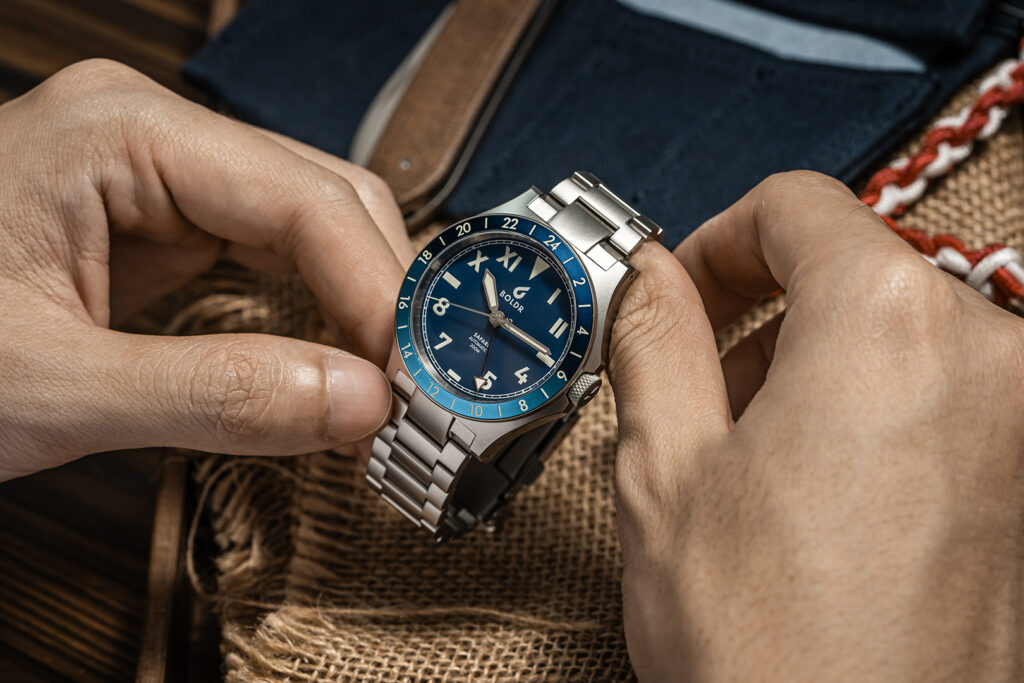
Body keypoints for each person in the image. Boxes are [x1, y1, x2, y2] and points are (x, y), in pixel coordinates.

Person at [1, 61, 1020, 680]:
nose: (499, 314)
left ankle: (466, 485)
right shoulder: (478, 272)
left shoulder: (555, 386)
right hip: (451, 375)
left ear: (572, 401)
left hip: (483, 403)